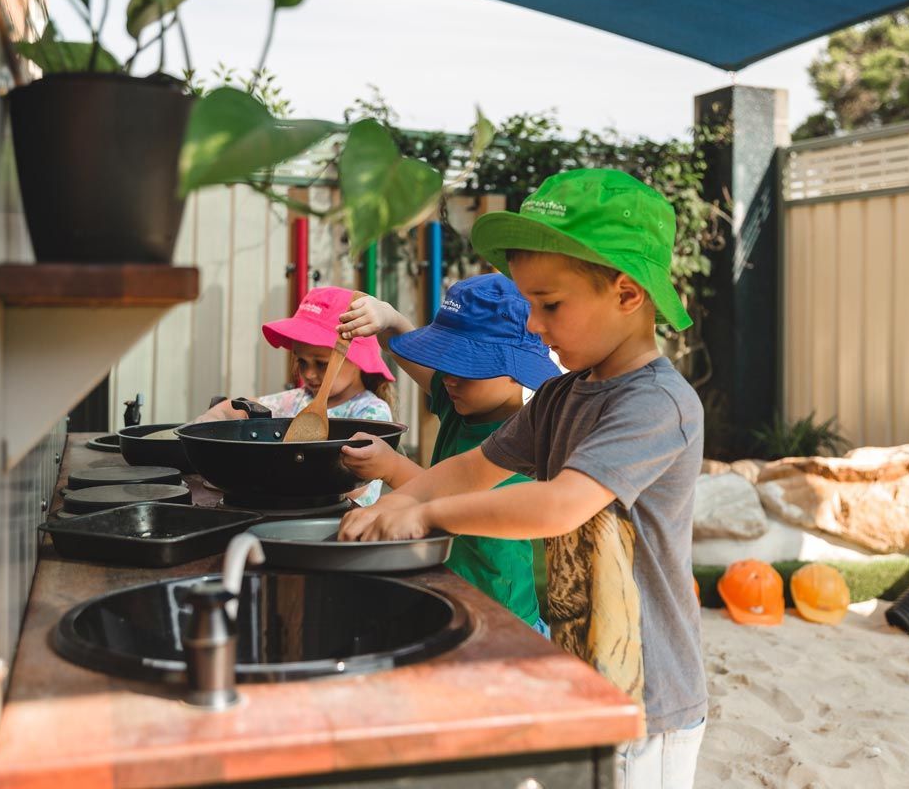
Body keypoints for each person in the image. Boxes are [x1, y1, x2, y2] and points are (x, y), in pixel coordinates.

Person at [338, 169, 707, 788]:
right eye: (529, 304)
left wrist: (425, 515)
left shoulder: (656, 404)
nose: (533, 326)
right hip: (570, 670)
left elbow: (561, 505)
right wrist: (398, 501)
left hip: (643, 700)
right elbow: (473, 468)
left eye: (550, 304)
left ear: (626, 293)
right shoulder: (562, 395)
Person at [335, 273, 559, 633]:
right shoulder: (463, 399)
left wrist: (392, 468)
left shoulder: (523, 439)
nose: (449, 377)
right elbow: (410, 355)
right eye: (446, 361)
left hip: (502, 619)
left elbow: (461, 506)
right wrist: (388, 318)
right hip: (450, 595)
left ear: (515, 372)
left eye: (467, 368)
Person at [197, 285, 395, 505]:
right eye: (302, 361)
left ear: (359, 360)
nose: (309, 374)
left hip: (344, 522)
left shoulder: (371, 412)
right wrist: (205, 426)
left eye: (321, 364)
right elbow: (236, 409)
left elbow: (358, 487)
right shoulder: (299, 400)